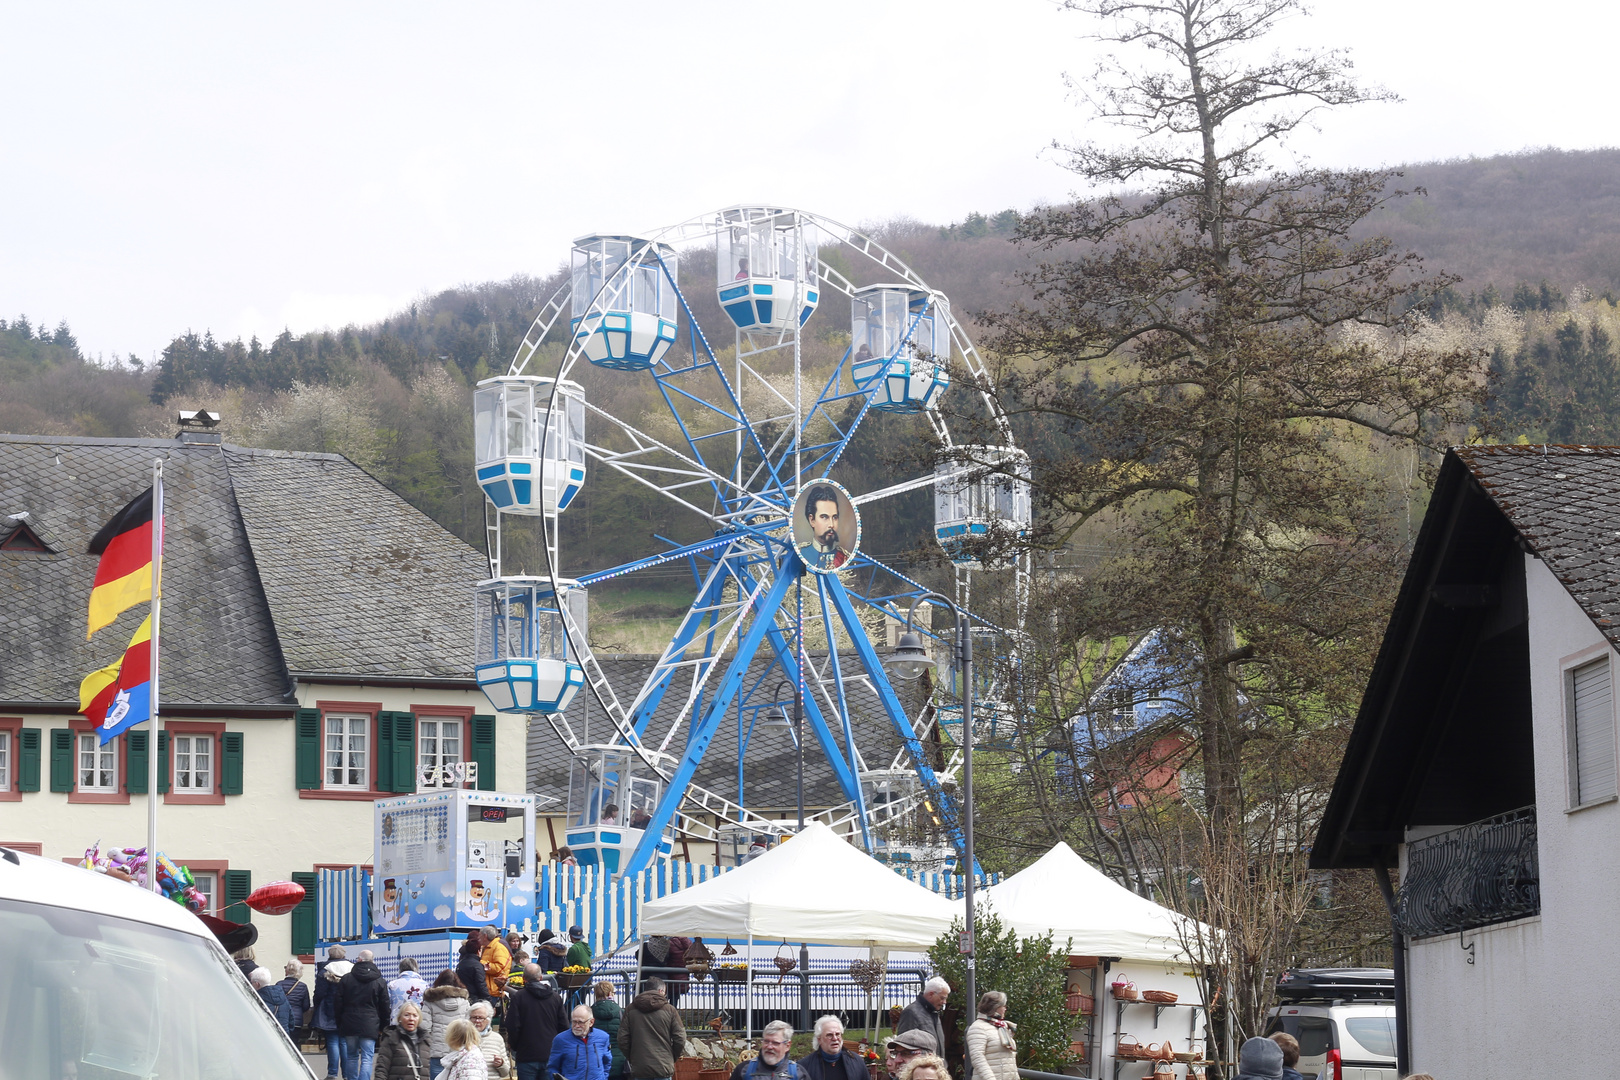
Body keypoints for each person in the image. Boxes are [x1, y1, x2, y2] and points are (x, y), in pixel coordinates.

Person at [506, 962, 570, 1080]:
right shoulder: (555, 997)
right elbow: (564, 1026)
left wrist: (515, 1046)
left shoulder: (519, 997)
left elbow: (513, 1025)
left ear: (524, 979)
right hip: (549, 1053)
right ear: (541, 978)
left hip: (526, 1054)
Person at [335, 948, 392, 1080]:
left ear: (359, 960)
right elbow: (385, 1006)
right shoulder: (379, 981)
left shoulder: (346, 979)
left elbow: (338, 1003)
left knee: (352, 1056)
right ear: (372, 961)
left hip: (349, 1022)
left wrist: (340, 1022)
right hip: (370, 1023)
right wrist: (384, 1026)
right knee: (367, 1058)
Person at [618, 976, 686, 1080]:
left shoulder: (630, 1009)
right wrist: (672, 1057)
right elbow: (680, 1038)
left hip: (640, 1066)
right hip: (663, 1067)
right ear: (660, 991)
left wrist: (632, 1057)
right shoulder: (670, 1010)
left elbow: (622, 1039)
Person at [315, 945, 354, 1079]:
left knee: (332, 1041)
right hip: (347, 1008)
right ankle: (346, 1074)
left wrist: (316, 1004)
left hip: (329, 1008)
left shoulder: (324, 970)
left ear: (330, 954)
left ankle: (332, 1073)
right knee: (343, 1042)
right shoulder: (352, 969)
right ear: (344, 954)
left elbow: (320, 992)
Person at [425, 969, 473, 1078]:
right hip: (458, 1051)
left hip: (437, 1052)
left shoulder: (430, 1001)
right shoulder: (464, 1002)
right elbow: (469, 1026)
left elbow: (425, 1027)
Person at [965, 991, 1018, 1080]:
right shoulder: (978, 1027)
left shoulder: (1001, 1026)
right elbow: (977, 1058)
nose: (1005, 1009)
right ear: (995, 1007)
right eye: (1003, 1006)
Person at [373, 1001, 433, 1080]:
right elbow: (382, 1068)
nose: (411, 1019)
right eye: (407, 1015)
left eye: (415, 1015)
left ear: (419, 1019)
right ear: (400, 1018)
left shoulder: (426, 1041)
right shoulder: (391, 1038)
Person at [550, 1005, 612, 1080]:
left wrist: (603, 1078)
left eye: (580, 1022)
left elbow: (607, 1062)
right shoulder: (561, 1040)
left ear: (591, 1022)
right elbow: (552, 1067)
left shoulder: (603, 1037)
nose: (577, 1026)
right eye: (574, 1022)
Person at [796, 485, 850, 572]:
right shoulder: (801, 552)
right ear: (812, 520)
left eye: (835, 517)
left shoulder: (843, 558)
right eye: (824, 517)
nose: (831, 525)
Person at [796, 1016, 865, 1080]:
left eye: (838, 1034)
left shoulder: (856, 1061)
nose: (835, 1038)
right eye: (829, 1035)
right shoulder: (804, 1066)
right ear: (819, 1039)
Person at [895, 978, 948, 1059]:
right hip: (920, 1067)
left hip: (935, 1066)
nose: (944, 1002)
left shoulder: (934, 1012)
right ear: (931, 994)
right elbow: (903, 1045)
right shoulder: (911, 1012)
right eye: (942, 998)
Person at [730, 1020, 799, 1080]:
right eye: (766, 1041)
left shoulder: (798, 1073)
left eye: (775, 1043)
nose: (769, 1047)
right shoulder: (744, 1070)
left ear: (787, 1046)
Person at [470, 1000, 514, 1078]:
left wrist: (501, 1064)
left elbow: (505, 1072)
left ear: (488, 1020)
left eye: (481, 1018)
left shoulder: (497, 1038)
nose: (477, 1021)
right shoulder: (461, 1038)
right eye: (474, 1017)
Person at [591, 981, 625, 1080]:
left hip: (597, 1063)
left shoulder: (589, 1014)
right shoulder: (622, 1013)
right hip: (620, 1063)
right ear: (610, 994)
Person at [250, 966, 295, 1035]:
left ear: (257, 984)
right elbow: (291, 1021)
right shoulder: (283, 998)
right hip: (283, 1037)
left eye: (252, 982)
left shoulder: (257, 1001)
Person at [280, 959, 313, 1043]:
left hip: (282, 1019)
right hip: (296, 1020)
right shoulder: (303, 986)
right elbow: (306, 1006)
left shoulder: (279, 984)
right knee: (294, 1043)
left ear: (287, 971)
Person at [458, 935, 493, 1013]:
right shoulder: (477, 965)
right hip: (475, 999)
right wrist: (489, 1001)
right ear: (478, 951)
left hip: (464, 998)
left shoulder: (460, 964)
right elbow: (481, 984)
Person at [390, 958, 430, 1024]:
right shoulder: (425, 985)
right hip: (417, 1023)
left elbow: (387, 1007)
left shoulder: (392, 985)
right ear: (416, 968)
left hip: (396, 1023)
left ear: (400, 969)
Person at [482, 925, 513, 1000]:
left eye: (480, 936)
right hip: (490, 990)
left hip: (494, 991)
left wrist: (481, 964)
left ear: (485, 936)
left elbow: (499, 968)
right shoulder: (487, 947)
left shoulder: (498, 947)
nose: (479, 939)